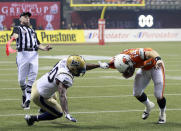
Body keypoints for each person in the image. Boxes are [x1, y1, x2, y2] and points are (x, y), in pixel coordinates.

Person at [24, 55, 102, 126]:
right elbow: (62, 95)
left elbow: (82, 66)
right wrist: (66, 113)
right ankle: (32, 118)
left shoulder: (66, 61)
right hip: (39, 95)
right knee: (58, 113)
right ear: (73, 68)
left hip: (39, 83)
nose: (80, 71)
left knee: (54, 97)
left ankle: (43, 109)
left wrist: (99, 65)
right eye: (78, 70)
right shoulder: (65, 77)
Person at [99, 48, 166, 124]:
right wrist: (105, 65)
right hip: (144, 68)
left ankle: (162, 113)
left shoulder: (136, 55)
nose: (128, 72)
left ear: (129, 62)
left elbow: (151, 52)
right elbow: (110, 63)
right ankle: (148, 106)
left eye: (128, 69)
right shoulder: (118, 61)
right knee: (137, 93)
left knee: (158, 94)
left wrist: (158, 59)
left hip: (156, 66)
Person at [10, 12, 52, 109]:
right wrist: (14, 37)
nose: (27, 18)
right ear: (20, 19)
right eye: (25, 17)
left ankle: (28, 99)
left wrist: (45, 48)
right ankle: (25, 95)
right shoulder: (18, 28)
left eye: (28, 17)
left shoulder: (33, 30)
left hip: (34, 54)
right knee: (21, 80)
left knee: (32, 78)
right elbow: (14, 36)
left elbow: (37, 43)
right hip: (23, 54)